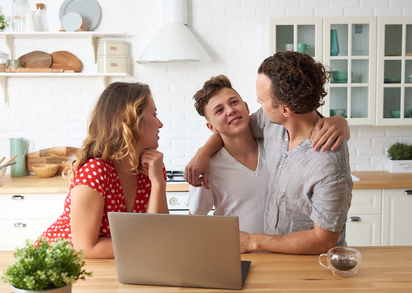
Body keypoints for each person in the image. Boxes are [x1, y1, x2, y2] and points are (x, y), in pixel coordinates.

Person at [186, 52, 352, 255]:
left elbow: (324, 241)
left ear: (285, 109)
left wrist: (253, 242)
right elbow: (232, 129)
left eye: (262, 99)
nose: (257, 103)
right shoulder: (272, 124)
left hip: (310, 268)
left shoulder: (328, 161)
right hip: (273, 262)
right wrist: (202, 152)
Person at [37, 82, 169, 259]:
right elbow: (86, 248)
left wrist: (158, 183)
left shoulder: (151, 169)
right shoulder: (95, 171)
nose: (160, 123)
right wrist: (145, 244)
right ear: (131, 121)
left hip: (115, 261)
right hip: (60, 264)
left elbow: (158, 234)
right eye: (154, 114)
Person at [189, 75, 269, 234]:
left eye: (234, 102)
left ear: (246, 107)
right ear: (211, 127)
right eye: (219, 110)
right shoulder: (206, 168)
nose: (231, 110)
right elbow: (194, 221)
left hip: (286, 255)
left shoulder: (275, 147)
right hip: (237, 256)